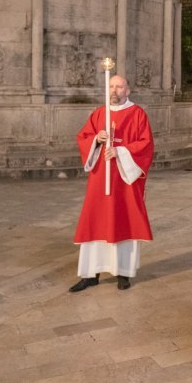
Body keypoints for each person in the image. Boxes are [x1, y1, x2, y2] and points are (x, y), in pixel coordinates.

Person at [69, 75, 154, 293]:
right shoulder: (99, 113)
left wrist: (120, 150)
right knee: (94, 220)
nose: (115, 90)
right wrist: (96, 140)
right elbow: (83, 137)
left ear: (128, 90)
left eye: (120, 87)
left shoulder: (137, 114)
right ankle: (90, 274)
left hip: (124, 178)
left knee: (122, 219)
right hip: (100, 178)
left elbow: (145, 145)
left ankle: (123, 273)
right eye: (112, 86)